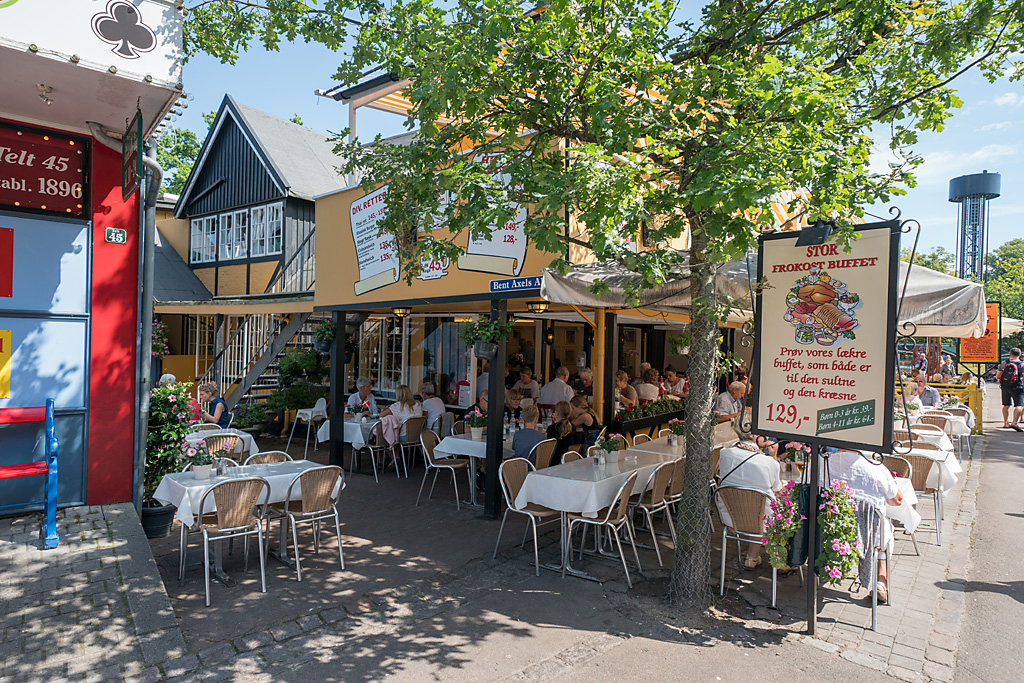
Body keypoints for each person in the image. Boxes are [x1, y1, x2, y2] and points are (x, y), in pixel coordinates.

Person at [824, 450, 904, 603]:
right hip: (868, 535)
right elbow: (897, 500)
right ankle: (881, 582)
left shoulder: (822, 462)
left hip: (830, 531)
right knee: (884, 529)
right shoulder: (876, 468)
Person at [716, 440, 783, 568]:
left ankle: (752, 558)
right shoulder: (769, 463)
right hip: (762, 520)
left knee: (754, 508)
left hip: (731, 518)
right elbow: (777, 488)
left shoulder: (725, 454)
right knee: (782, 509)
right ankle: (780, 560)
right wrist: (773, 455)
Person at [996, 347, 1024, 430]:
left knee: (1006, 405)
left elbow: (998, 376)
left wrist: (1003, 382)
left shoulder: (1004, 363)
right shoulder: (1021, 364)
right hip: (1017, 386)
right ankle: (1014, 422)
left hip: (1005, 386)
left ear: (1010, 354)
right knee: (1019, 405)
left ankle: (1005, 423)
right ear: (1019, 355)